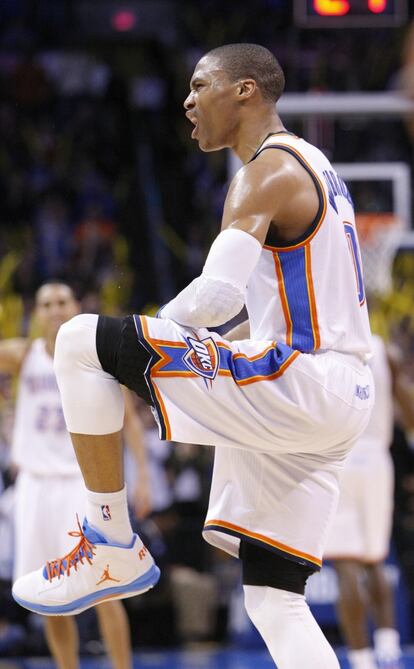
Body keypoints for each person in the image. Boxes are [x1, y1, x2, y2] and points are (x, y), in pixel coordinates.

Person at [13, 44, 374, 669]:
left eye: (200, 84)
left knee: (79, 341)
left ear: (245, 92)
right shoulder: (316, 167)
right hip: (338, 398)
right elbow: (248, 304)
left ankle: (110, 542)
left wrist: (136, 346)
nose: (186, 100)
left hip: (304, 379)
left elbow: (217, 295)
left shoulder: (266, 171)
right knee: (274, 601)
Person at [3, 281, 150, 669]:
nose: (54, 309)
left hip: (81, 484)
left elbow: (130, 422)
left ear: (75, 305)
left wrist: (144, 477)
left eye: (61, 301)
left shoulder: (94, 354)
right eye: (46, 303)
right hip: (34, 486)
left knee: (105, 588)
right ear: (36, 313)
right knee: (47, 593)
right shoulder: (22, 355)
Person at [324, 334, 414, 669]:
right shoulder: (384, 350)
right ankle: (389, 647)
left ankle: (361, 659)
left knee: (346, 563)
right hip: (378, 461)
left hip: (340, 457)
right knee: (376, 558)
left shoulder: (325, 345)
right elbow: (410, 415)